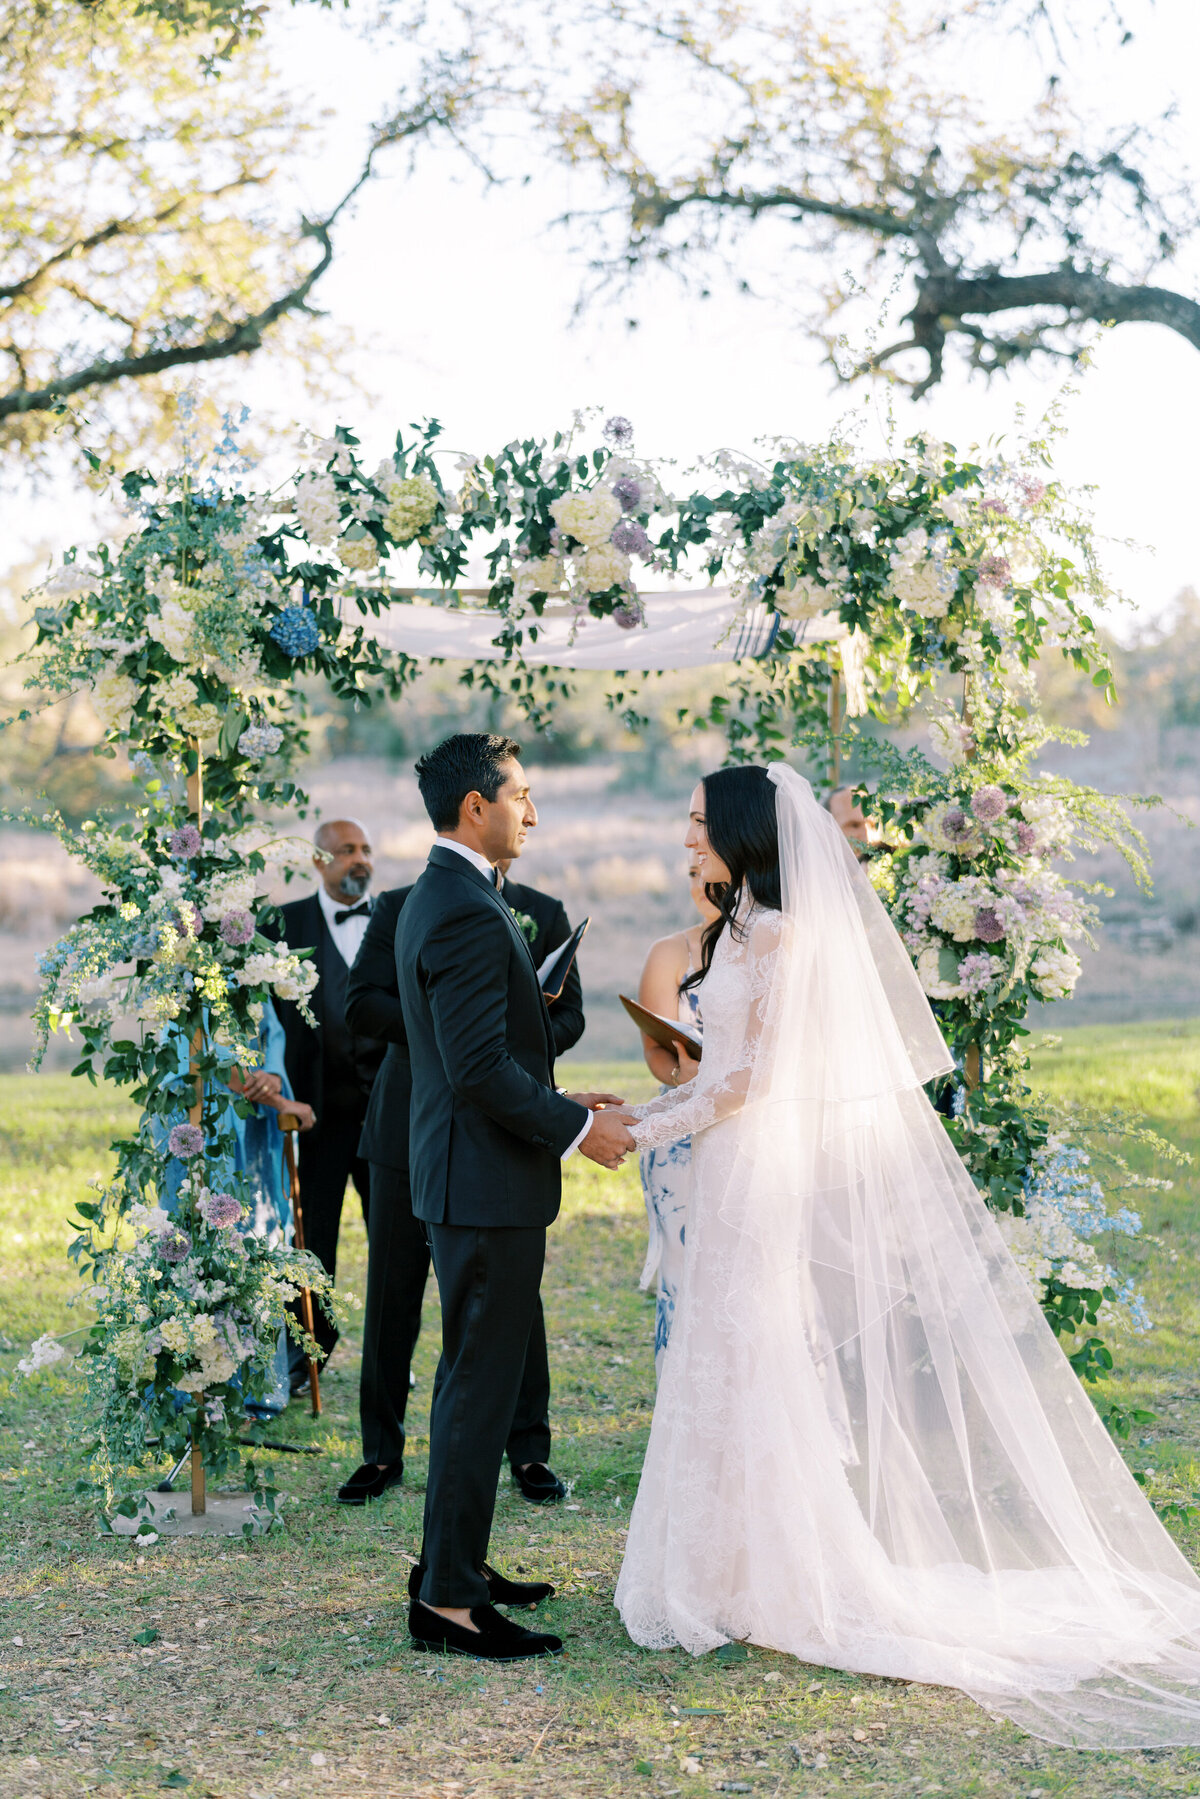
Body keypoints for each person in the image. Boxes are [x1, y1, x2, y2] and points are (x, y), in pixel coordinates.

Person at [615, 764, 1200, 1750]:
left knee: (745, 1354)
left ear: (747, 835)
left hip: (750, 1172)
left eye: (700, 821)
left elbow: (749, 1079)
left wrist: (640, 1127)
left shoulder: (785, 937)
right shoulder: (741, 932)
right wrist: (651, 1113)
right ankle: (724, 1563)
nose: (687, 836)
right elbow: (712, 1069)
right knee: (720, 1356)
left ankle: (777, 1569)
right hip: (717, 1163)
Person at [397, 732, 636, 1662]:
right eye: (521, 796)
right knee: (477, 1392)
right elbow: (477, 1070)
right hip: (482, 1185)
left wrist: (561, 1095)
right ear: (475, 808)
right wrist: (578, 1132)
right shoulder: (459, 905)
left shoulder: (454, 892)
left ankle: (450, 1565)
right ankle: (449, 1603)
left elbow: (485, 1056)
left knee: (471, 1383)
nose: (531, 813)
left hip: (475, 1176)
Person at [337, 858, 586, 1506]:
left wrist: (497, 1031)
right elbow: (360, 1002)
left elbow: (571, 1018)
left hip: (502, 1133)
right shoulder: (400, 905)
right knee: (391, 1291)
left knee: (513, 1298)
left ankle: (529, 1449)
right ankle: (380, 1451)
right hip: (405, 1127)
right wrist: (453, 1027)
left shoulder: (543, 910)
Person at [270, 818, 386, 1390]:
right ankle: (305, 1360)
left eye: (366, 850)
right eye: (346, 851)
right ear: (319, 860)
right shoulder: (282, 924)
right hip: (314, 1117)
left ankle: (388, 1362)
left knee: (393, 1242)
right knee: (311, 1243)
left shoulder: (393, 916)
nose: (359, 860)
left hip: (386, 1116)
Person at [635, 860, 718, 1377]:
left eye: (708, 873)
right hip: (682, 1133)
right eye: (691, 874)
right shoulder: (670, 952)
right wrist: (685, 1077)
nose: (699, 886)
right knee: (685, 1278)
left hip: (758, 1129)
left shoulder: (773, 945)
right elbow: (655, 1047)